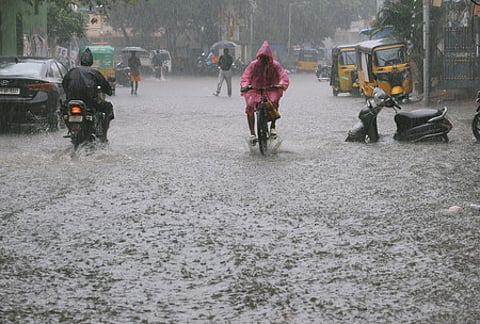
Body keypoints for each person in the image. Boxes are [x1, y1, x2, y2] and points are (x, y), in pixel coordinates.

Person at [240, 40, 289, 144]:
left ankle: (273, 127)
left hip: (271, 90)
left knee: (274, 101)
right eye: (262, 58)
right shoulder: (253, 65)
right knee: (250, 105)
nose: (264, 60)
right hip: (255, 90)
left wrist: (281, 84)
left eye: (266, 58)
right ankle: (252, 133)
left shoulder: (275, 65)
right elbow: (246, 76)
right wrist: (245, 86)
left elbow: (283, 76)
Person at [62, 48, 114, 142]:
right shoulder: (95, 72)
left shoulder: (72, 71)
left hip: (71, 101)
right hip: (90, 102)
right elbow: (107, 89)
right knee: (109, 107)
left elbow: (64, 84)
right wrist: (109, 91)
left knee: (63, 110)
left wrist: (69, 95)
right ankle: (104, 136)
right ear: (91, 62)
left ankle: (70, 130)